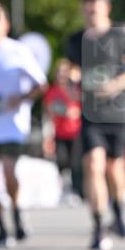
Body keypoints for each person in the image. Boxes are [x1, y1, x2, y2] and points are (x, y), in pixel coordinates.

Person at [65, 0, 125, 250]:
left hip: (118, 113)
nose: (92, 8)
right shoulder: (76, 40)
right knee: (94, 165)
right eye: (87, 4)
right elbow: (70, 71)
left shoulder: (120, 35)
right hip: (90, 114)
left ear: (107, 7)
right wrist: (71, 80)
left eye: (96, 3)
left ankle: (118, 208)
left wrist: (116, 85)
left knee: (115, 169)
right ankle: (98, 224)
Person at [0, 6, 47, 247]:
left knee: (8, 171)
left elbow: (40, 84)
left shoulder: (18, 51)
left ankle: (16, 210)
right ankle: (1, 228)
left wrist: (22, 98)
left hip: (12, 126)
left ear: (6, 25)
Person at [44, 58, 83, 201]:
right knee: (62, 161)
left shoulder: (76, 89)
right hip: (60, 132)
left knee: (76, 163)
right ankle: (65, 189)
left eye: (65, 72)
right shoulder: (52, 91)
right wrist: (66, 112)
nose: (62, 75)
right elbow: (50, 108)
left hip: (76, 132)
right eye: (60, 72)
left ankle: (77, 191)